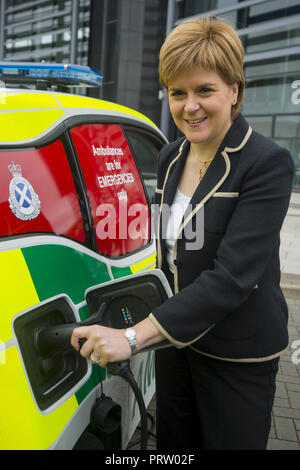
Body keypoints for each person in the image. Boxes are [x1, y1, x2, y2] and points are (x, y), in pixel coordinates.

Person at [71, 16, 295, 450]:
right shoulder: (173, 155)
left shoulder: (267, 163)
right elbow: (170, 249)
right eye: (178, 93)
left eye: (204, 90)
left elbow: (232, 277)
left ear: (235, 89)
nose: (189, 106)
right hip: (176, 342)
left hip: (237, 353)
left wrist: (133, 338)